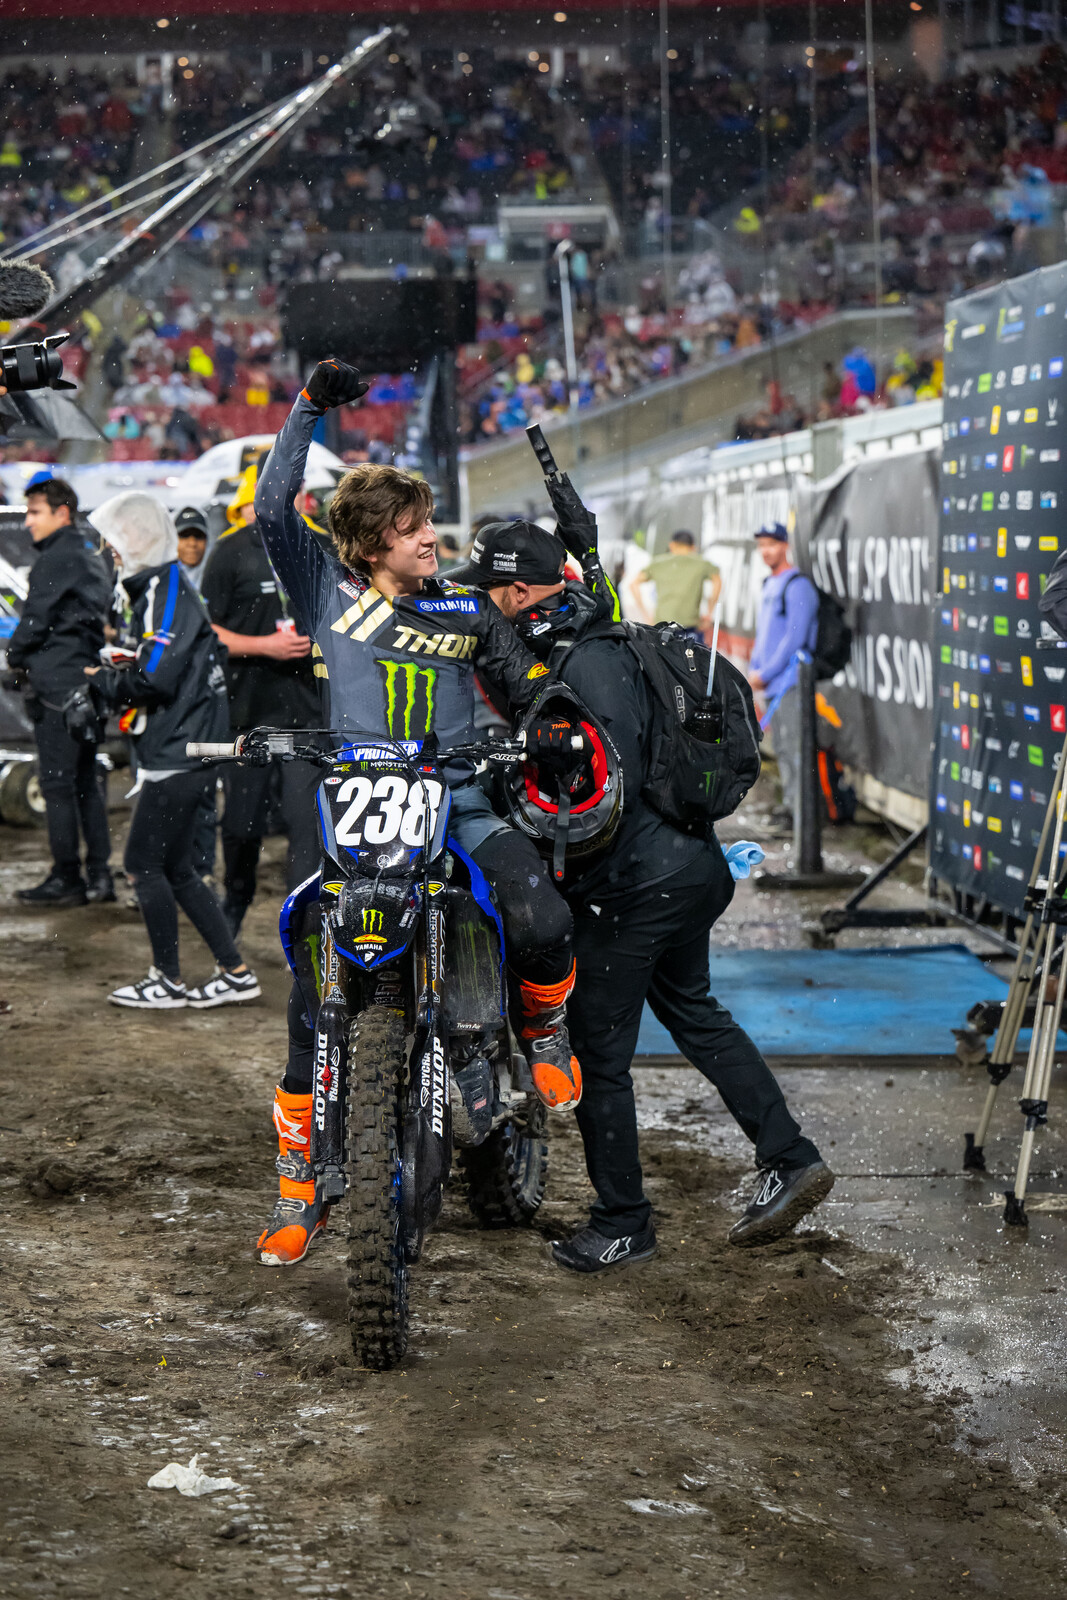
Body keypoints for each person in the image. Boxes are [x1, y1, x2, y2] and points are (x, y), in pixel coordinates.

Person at [250, 360, 584, 1267]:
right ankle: (295, 1185)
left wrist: (551, 721)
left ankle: (543, 1026)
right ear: (367, 546)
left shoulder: (467, 608)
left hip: (460, 796)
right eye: (411, 529)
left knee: (540, 914)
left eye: (428, 522)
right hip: (358, 809)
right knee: (309, 1001)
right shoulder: (327, 594)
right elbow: (272, 509)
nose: (431, 539)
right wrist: (308, 408)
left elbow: (529, 687)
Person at [472, 519, 834, 1274]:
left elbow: (592, 793)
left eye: (491, 596)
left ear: (513, 591)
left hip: (632, 888)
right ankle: (790, 1157)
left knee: (600, 1056)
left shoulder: (569, 667)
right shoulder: (613, 638)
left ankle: (622, 1221)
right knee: (695, 1014)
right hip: (693, 868)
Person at [84, 492, 260, 1012]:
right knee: (180, 868)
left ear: (136, 540)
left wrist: (104, 679)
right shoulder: (163, 587)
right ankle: (236, 972)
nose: (112, 553)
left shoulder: (165, 586)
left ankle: (167, 979)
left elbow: (155, 677)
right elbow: (165, 659)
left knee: (143, 865)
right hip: (189, 745)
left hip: (179, 750)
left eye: (116, 542)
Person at [200, 469, 323, 933]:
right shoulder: (231, 550)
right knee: (241, 827)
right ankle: (235, 899)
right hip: (248, 716)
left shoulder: (318, 545)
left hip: (308, 719)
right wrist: (263, 647)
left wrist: (321, 644)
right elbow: (207, 630)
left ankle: (307, 925)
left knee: (305, 828)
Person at [7, 477, 114, 907]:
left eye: (36, 512)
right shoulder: (88, 554)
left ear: (62, 513)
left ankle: (67, 876)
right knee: (86, 783)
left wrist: (15, 656)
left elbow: (35, 619)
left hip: (58, 688)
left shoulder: (58, 557)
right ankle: (100, 876)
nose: (29, 522)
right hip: (85, 686)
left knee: (57, 785)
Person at [748, 522, 819, 830]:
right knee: (785, 751)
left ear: (785, 545)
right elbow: (767, 634)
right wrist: (756, 669)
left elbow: (795, 637)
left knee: (796, 752)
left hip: (790, 683)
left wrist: (767, 672)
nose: (766, 551)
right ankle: (791, 810)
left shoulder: (797, 585)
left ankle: (802, 818)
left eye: (772, 544)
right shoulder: (770, 583)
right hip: (773, 683)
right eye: (762, 545)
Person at [627, 529, 720, 640]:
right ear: (693, 547)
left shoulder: (658, 563)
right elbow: (717, 581)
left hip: (662, 627)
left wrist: (646, 615)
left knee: (660, 657)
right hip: (691, 628)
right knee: (692, 656)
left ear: (672, 545)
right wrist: (709, 613)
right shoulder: (701, 563)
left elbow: (633, 584)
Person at [174, 505, 209, 592]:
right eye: (184, 535)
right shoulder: (159, 579)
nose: (192, 543)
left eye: (199, 536)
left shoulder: (220, 576)